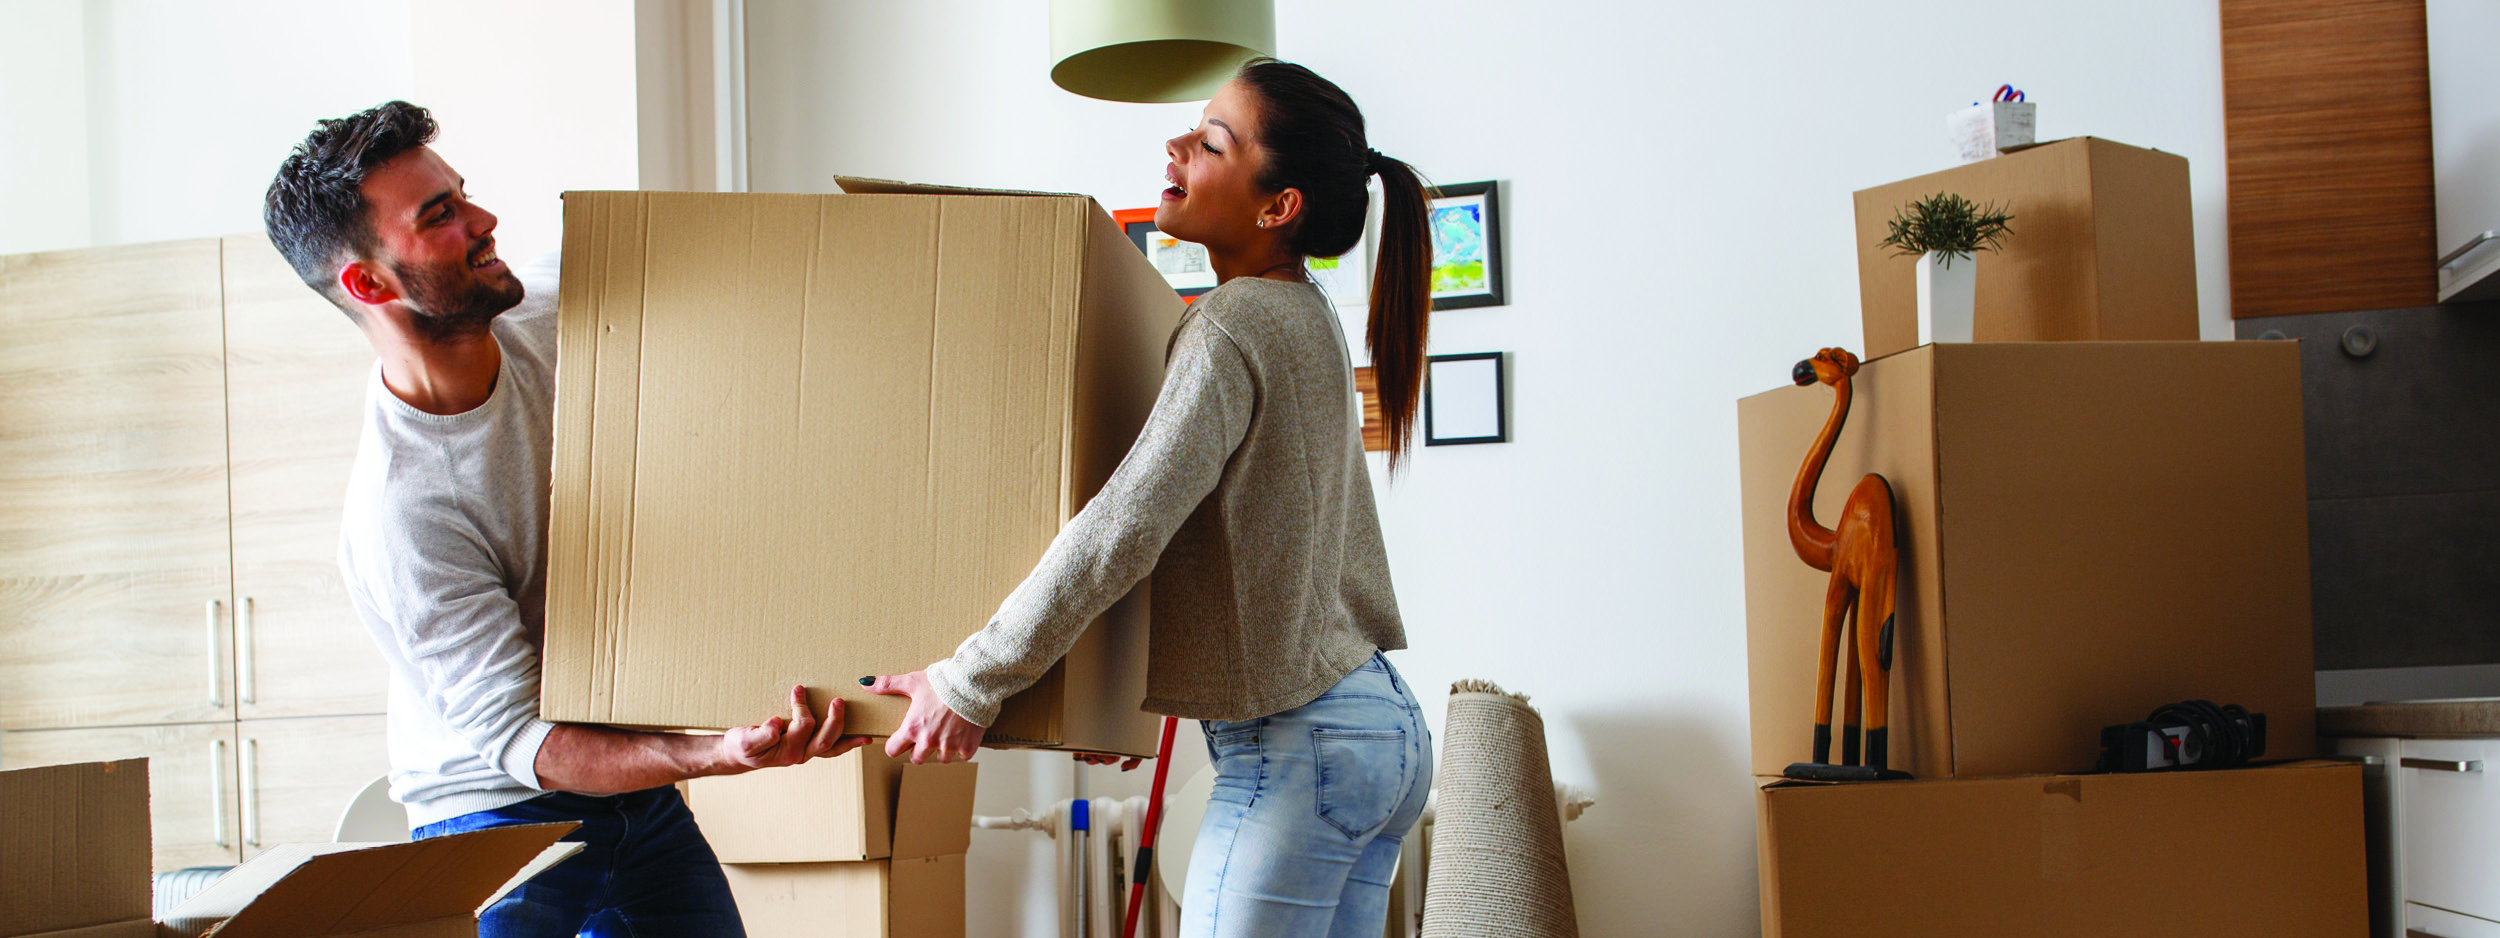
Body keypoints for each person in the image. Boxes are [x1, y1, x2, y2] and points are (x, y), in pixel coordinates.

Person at [263, 100, 864, 937]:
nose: (483, 219)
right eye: (441, 215)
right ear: (369, 283)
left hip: (634, 799)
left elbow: (674, 252)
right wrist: (715, 753)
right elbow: (527, 742)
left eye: (462, 193)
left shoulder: (553, 315)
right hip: (500, 820)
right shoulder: (404, 512)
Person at [871, 59, 1436, 938]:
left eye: (1211, 141)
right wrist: (1108, 694)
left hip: (1297, 748)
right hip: (1377, 729)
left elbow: (1124, 529)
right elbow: (1233, 545)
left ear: (1276, 206)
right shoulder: (1304, 313)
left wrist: (969, 682)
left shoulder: (1234, 323)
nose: (1175, 146)